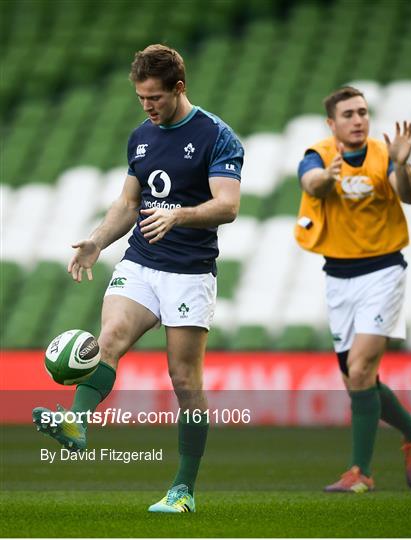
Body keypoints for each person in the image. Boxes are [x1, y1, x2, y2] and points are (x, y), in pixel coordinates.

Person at [32, 44, 244, 513]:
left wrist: (180, 216)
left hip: (189, 272)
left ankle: (183, 489)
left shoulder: (217, 136)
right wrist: (96, 241)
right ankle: (76, 423)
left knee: (184, 378)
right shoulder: (140, 137)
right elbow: (129, 203)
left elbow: (227, 206)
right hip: (142, 262)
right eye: (141, 98)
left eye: (155, 98)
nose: (148, 107)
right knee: (108, 338)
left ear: (179, 88)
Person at [295, 86, 411, 493]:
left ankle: (361, 472)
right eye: (349, 114)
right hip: (338, 277)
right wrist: (327, 177)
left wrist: (403, 166)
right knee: (355, 378)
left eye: (363, 113)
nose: (358, 120)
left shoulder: (384, 155)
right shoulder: (317, 155)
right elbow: (312, 183)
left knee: (359, 370)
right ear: (332, 124)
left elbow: (409, 194)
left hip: (384, 271)